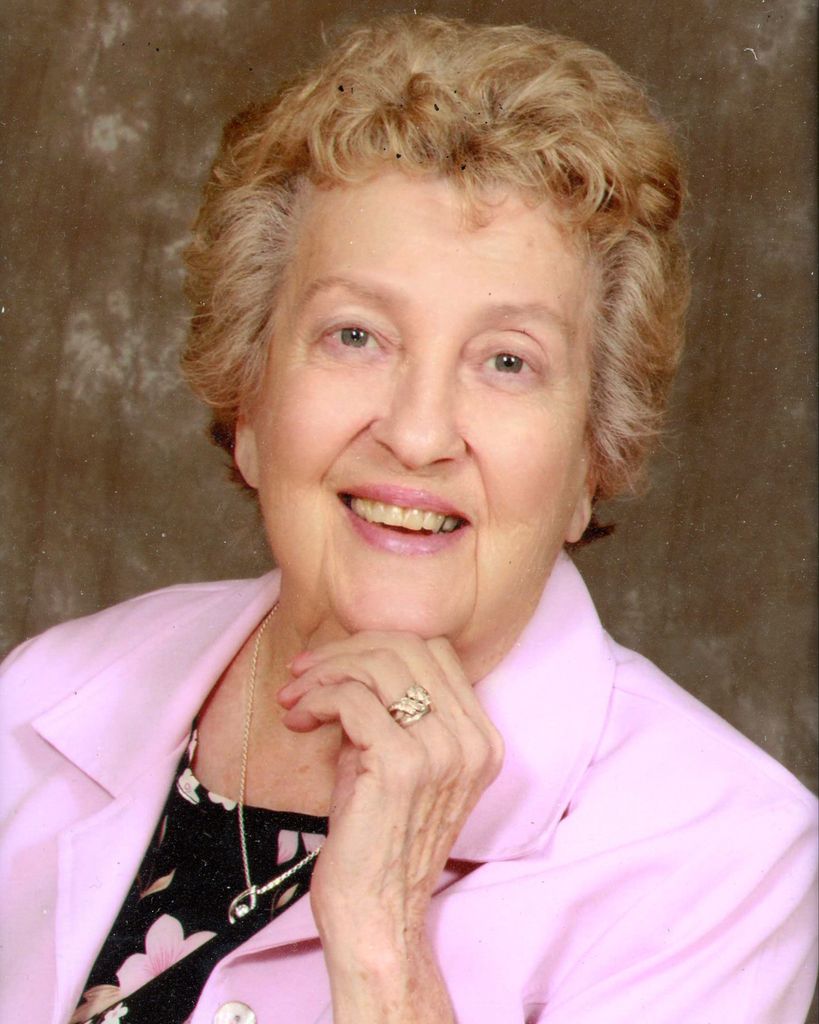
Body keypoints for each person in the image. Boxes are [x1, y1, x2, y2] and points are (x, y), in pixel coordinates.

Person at [1, 14, 816, 1024]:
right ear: (250, 406)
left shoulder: (721, 857)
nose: (419, 433)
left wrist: (384, 949)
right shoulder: (45, 694)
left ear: (590, 463)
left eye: (507, 361)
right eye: (356, 336)